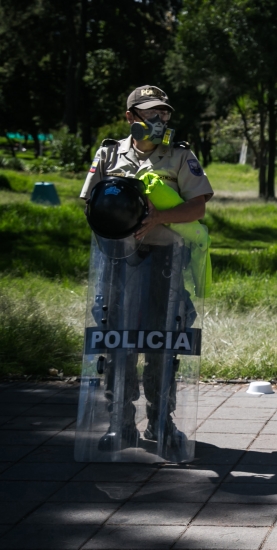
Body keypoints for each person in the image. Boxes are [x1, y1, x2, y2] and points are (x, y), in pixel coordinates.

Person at [80, 85, 213, 455]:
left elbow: (197, 208)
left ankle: (160, 423)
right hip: (118, 262)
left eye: (164, 113)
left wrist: (159, 218)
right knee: (118, 344)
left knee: (161, 342)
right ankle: (120, 425)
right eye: (151, 113)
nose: (160, 119)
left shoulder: (179, 156)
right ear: (131, 117)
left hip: (164, 265)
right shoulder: (109, 153)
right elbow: (90, 202)